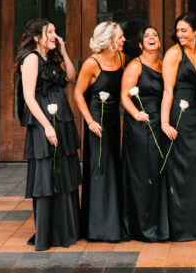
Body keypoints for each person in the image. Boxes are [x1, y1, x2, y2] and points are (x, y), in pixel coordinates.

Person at [16, 18, 81, 251]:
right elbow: (29, 97)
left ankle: (65, 229)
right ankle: (49, 233)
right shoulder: (31, 59)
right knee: (46, 174)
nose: (55, 35)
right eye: (50, 32)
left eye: (55, 31)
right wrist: (46, 126)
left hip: (61, 119)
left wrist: (63, 51)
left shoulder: (51, 59)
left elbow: (71, 77)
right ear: (37, 37)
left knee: (63, 173)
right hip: (45, 122)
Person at [160, 11, 196, 241]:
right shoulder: (173, 54)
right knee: (185, 171)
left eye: (184, 30)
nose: (179, 34)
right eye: (178, 30)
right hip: (180, 116)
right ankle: (184, 222)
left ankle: (186, 217)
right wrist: (165, 122)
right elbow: (167, 91)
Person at [75, 21, 125, 242]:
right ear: (109, 40)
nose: (124, 40)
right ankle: (96, 227)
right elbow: (78, 93)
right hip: (97, 122)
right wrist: (89, 122)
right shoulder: (91, 64)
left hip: (114, 121)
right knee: (99, 169)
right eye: (120, 37)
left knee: (113, 168)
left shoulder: (121, 58)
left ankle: (113, 223)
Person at [120, 26, 168, 242]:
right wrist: (137, 113)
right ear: (140, 44)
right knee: (143, 172)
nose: (151, 38)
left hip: (160, 122)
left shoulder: (163, 63)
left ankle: (159, 224)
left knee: (158, 171)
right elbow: (124, 96)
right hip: (141, 124)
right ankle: (142, 227)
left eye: (154, 35)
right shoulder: (135, 65)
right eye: (146, 36)